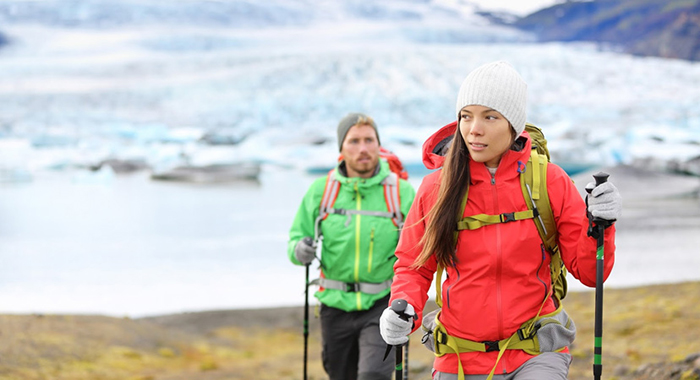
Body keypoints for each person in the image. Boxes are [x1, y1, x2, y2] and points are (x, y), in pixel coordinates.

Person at [378, 61, 622, 379]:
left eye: (489, 116)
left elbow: (591, 273)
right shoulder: (436, 187)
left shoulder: (549, 181)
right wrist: (403, 307)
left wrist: (600, 224)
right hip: (459, 356)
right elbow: (413, 266)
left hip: (536, 353)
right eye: (466, 116)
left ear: (513, 124)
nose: (473, 129)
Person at [288, 112, 417, 380]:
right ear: (341, 148)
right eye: (354, 141)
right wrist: (300, 249)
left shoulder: (401, 192)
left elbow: (420, 248)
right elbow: (295, 239)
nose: (363, 149)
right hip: (334, 306)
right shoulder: (321, 190)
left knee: (373, 374)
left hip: (381, 303)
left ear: (378, 145)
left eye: (369, 140)